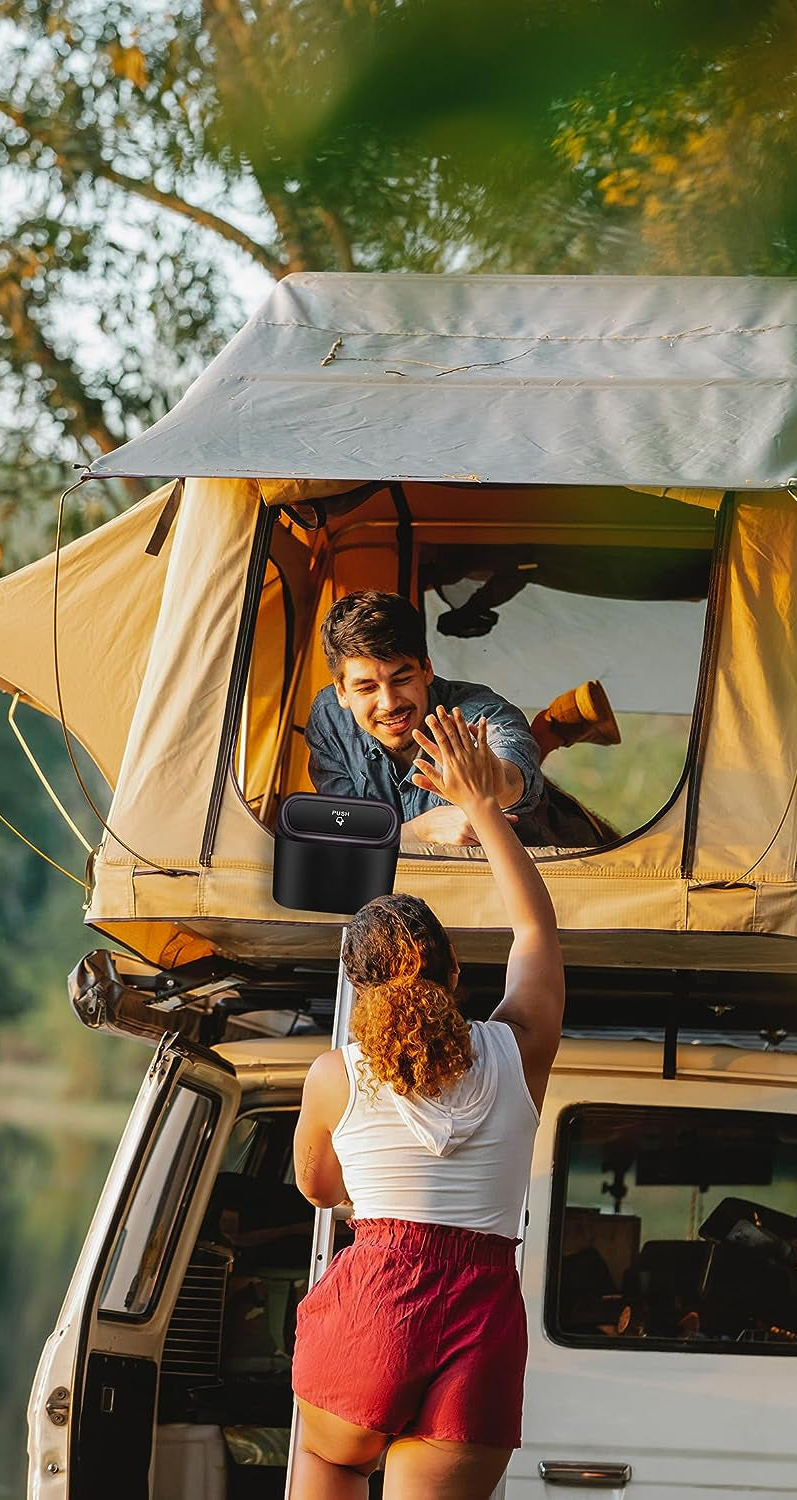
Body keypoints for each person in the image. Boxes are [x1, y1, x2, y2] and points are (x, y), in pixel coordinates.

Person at [289, 703, 565, 1498]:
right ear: (453, 974)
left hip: (376, 1293)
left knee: (329, 1462)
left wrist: (359, 1201)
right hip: (480, 1315)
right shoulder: (517, 1050)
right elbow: (536, 935)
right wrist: (484, 808)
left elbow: (317, 1186)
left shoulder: (336, 1076)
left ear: (358, 992)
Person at [304, 590, 614, 847]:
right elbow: (342, 827)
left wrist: (491, 786)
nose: (389, 703)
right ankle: (551, 732)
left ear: (426, 669)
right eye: (367, 687)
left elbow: (511, 773)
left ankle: (547, 733)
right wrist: (418, 832)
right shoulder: (330, 717)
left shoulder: (481, 713)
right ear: (341, 691)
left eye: (401, 679)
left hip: (551, 871)